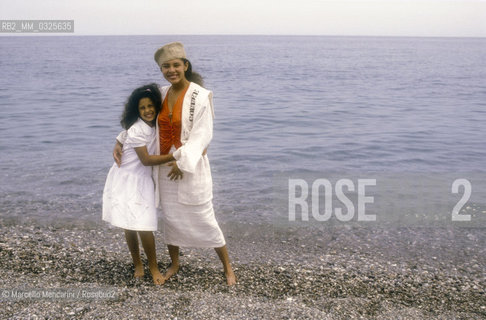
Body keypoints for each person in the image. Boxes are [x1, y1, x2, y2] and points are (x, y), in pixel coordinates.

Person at [114, 42, 236, 286]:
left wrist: (184, 161)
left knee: (204, 216)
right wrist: (120, 139)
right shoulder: (160, 93)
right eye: (166, 66)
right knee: (172, 218)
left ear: (185, 66)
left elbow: (203, 135)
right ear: (161, 70)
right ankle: (175, 263)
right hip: (163, 167)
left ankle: (227, 267)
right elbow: (142, 120)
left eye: (176, 65)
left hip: (190, 166)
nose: (171, 70)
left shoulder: (200, 96)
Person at [103, 83, 175, 285]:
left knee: (143, 225)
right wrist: (175, 157)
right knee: (134, 225)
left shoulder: (156, 124)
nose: (147, 110)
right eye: (142, 108)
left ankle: (151, 265)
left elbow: (124, 134)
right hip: (127, 179)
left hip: (142, 180)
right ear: (137, 110)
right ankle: (141, 265)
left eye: (151, 106)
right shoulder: (136, 129)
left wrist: (118, 140)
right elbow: (146, 160)